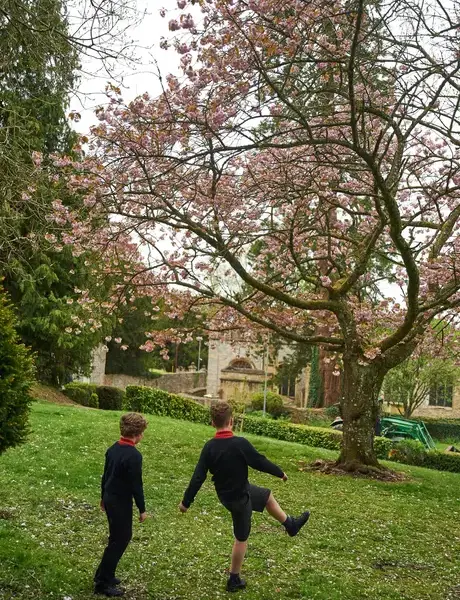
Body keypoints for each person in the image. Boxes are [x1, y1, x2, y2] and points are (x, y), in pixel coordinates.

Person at [178, 401, 310, 593]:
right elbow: (260, 462)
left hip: (234, 492)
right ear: (232, 420)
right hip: (238, 499)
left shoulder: (210, 447)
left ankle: (290, 525)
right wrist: (280, 473)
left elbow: (198, 476)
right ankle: (234, 579)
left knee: (266, 496)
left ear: (212, 422)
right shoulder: (240, 444)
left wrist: (185, 502)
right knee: (241, 538)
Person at [94, 412, 148, 597]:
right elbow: (136, 485)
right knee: (120, 540)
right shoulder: (134, 456)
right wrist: (142, 509)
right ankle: (102, 582)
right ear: (138, 434)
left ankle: (104, 574)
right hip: (120, 502)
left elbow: (105, 476)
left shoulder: (112, 449)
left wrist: (103, 497)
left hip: (110, 498)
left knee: (115, 538)